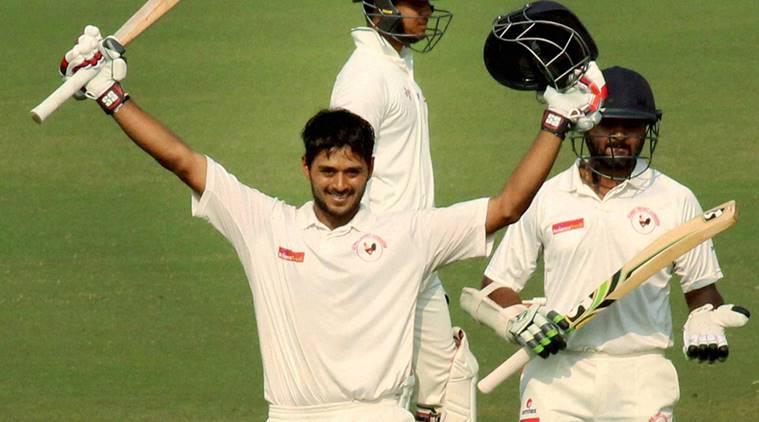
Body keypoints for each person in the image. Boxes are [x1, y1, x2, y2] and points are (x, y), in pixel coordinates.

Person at [55, 22, 606, 421]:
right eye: (327, 171)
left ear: (371, 171)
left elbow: (507, 206)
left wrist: (555, 120)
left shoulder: (408, 235)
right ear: (306, 167)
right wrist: (109, 94)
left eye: (352, 172)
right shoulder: (267, 226)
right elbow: (182, 161)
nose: (339, 184)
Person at [464, 66, 751, 421]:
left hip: (641, 375)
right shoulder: (548, 195)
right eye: (607, 124)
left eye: (631, 127)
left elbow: (702, 290)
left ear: (647, 129)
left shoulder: (675, 199)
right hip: (557, 374)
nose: (618, 136)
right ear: (586, 126)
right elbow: (496, 284)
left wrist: (704, 316)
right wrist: (518, 319)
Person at [330, 2, 465, 420]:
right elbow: (340, 166)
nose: (426, 12)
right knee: (387, 394)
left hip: (417, 256)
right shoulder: (366, 76)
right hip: (382, 260)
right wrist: (363, 256)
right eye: (415, 4)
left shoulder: (396, 66)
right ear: (382, 5)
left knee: (450, 385)